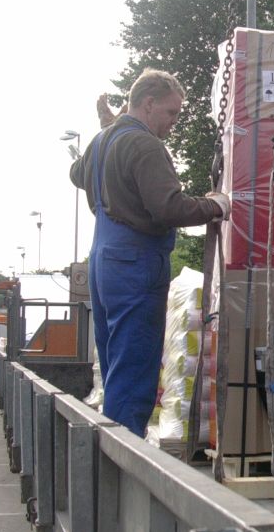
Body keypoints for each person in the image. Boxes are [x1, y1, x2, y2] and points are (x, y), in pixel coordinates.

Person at [70, 68, 230, 437]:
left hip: (103, 260)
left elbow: (77, 174)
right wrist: (215, 205)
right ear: (148, 104)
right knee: (135, 367)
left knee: (114, 364)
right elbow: (169, 209)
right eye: (171, 113)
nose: (173, 122)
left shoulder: (102, 141)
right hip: (135, 264)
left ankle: (107, 454)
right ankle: (125, 472)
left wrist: (108, 129)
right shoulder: (145, 145)